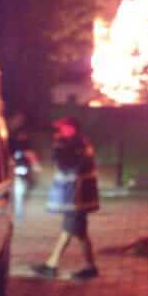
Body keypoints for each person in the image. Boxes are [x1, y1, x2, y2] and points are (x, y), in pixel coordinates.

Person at [33, 117, 100, 280]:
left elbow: (66, 165)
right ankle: (88, 266)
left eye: (63, 128)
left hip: (76, 197)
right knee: (79, 232)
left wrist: (58, 148)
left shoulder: (75, 144)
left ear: (71, 128)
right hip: (77, 196)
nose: (60, 131)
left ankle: (52, 265)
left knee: (69, 230)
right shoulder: (78, 143)